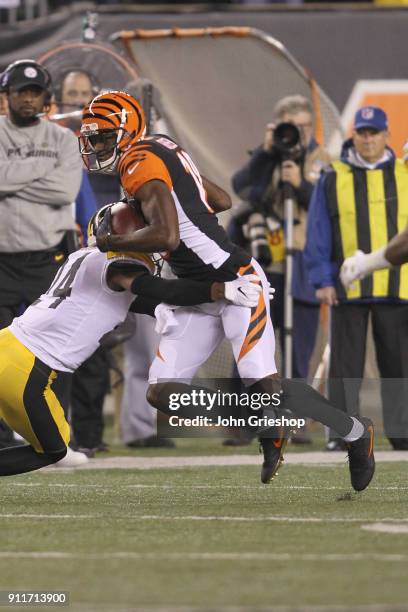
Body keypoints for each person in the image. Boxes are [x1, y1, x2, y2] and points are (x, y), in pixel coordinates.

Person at [78, 90, 375, 492]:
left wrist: (111, 241)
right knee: (163, 392)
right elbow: (218, 198)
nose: (95, 147)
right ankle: (263, 421)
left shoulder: (138, 160)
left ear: (126, 132)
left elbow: (166, 232)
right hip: (195, 288)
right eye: (91, 139)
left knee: (262, 380)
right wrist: (184, 212)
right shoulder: (159, 149)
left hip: (233, 278)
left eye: (101, 137)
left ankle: (355, 431)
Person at [0, 212, 262, 477]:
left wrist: (157, 307)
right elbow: (156, 288)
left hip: (8, 343)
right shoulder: (118, 266)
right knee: (54, 451)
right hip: (26, 369)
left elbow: (115, 298)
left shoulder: (82, 257)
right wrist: (219, 290)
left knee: (61, 443)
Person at [305, 106, 408, 451]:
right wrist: (322, 278)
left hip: (398, 286)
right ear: (355, 135)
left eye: (374, 132)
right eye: (362, 132)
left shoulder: (405, 171)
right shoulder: (334, 175)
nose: (368, 139)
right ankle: (342, 433)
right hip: (346, 286)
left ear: (386, 135)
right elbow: (318, 230)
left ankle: (403, 432)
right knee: (345, 366)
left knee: (398, 363)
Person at [0, 59, 82, 450]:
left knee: (52, 351)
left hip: (48, 260)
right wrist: (40, 175)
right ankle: (1, 438)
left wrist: (9, 182)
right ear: (7, 97)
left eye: (35, 93)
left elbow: (64, 192)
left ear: (47, 99)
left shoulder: (64, 139)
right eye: (21, 92)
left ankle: (53, 438)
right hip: (1, 261)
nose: (28, 99)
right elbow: (51, 185)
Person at [231, 95, 330, 382]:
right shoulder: (269, 157)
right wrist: (265, 152)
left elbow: (334, 210)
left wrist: (302, 186)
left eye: (306, 126)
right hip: (267, 264)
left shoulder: (323, 160)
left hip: (303, 270)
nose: (301, 133)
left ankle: (292, 421)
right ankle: (245, 420)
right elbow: (243, 188)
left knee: (299, 355)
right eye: (293, 126)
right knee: (251, 350)